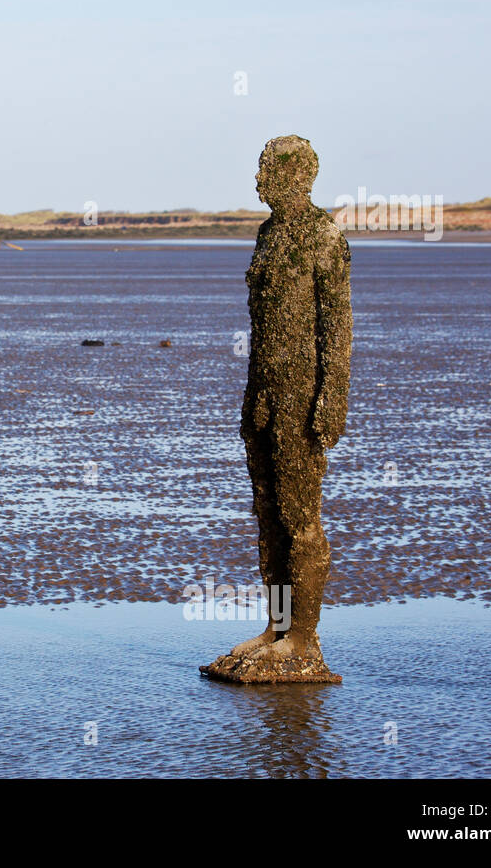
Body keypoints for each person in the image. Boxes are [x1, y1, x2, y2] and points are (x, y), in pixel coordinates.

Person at [202, 135, 351, 683]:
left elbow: (337, 329)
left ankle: (304, 641)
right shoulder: (268, 236)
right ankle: (277, 628)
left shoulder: (323, 236)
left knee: (299, 516)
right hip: (263, 393)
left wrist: (331, 401)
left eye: (267, 171)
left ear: (298, 176)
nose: (258, 181)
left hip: (302, 394)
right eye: (260, 170)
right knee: (268, 518)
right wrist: (252, 398)